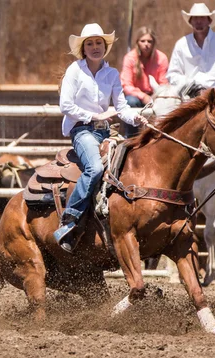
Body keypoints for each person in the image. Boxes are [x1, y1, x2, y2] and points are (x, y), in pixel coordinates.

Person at [54, 23, 148, 252]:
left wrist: (137, 118)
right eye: (90, 43)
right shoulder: (74, 71)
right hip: (82, 130)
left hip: (105, 131)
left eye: (98, 43)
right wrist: (94, 114)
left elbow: (122, 107)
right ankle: (70, 219)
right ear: (83, 48)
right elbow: (65, 105)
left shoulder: (112, 74)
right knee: (95, 168)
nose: (95, 47)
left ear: (104, 47)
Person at [120, 26, 169, 137]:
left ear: (154, 43)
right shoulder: (130, 58)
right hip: (136, 96)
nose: (146, 44)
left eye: (149, 41)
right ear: (137, 42)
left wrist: (155, 97)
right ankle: (131, 137)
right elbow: (126, 85)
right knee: (130, 101)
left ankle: (161, 136)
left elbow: (163, 83)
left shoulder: (161, 58)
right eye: (143, 41)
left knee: (167, 102)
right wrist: (143, 96)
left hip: (155, 95)